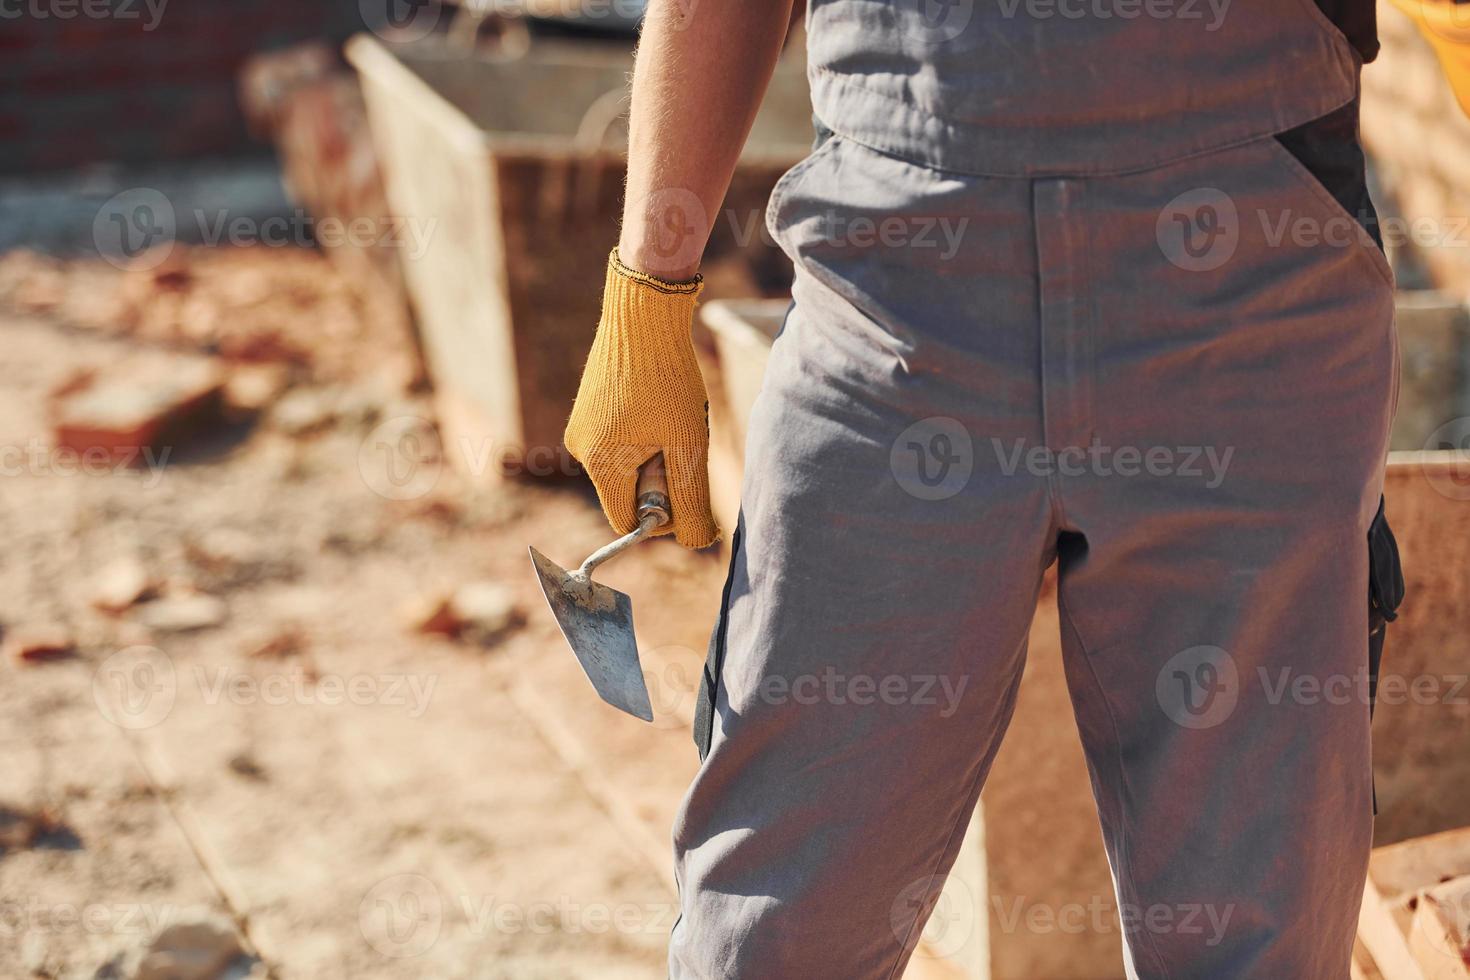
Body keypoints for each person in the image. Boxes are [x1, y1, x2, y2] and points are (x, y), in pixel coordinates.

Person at [563, 1, 1469, 976]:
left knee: (1251, 944)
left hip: (1246, 278)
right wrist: (650, 282)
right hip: (895, 291)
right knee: (771, 934)